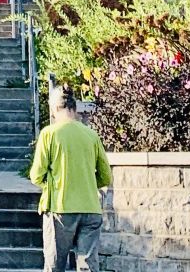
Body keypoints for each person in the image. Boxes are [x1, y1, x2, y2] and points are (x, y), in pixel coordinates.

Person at [29, 85, 112, 272]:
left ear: (54, 109)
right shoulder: (91, 135)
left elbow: (36, 175)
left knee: (55, 265)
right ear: (74, 109)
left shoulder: (49, 134)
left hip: (60, 208)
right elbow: (105, 176)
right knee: (88, 266)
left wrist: (51, 182)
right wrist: (86, 182)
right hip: (90, 208)